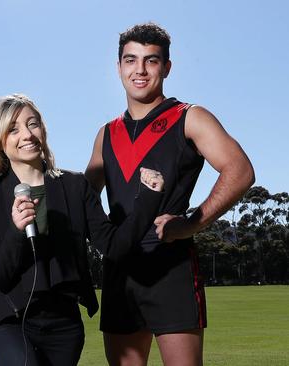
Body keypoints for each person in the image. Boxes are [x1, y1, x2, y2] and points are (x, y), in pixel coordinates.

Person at [85, 23, 255, 366]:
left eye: (151, 60)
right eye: (131, 60)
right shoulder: (106, 134)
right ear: (118, 67)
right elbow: (82, 198)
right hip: (121, 273)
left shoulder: (190, 117)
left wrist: (191, 224)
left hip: (170, 268)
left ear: (167, 67)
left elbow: (240, 170)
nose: (140, 70)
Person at [0, 94, 167, 366]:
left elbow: (114, 245)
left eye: (32, 124)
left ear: (43, 130)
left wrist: (148, 200)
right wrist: (16, 230)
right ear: (0, 141)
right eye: (13, 129)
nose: (27, 134)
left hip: (64, 325)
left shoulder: (75, 186)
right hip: (12, 320)